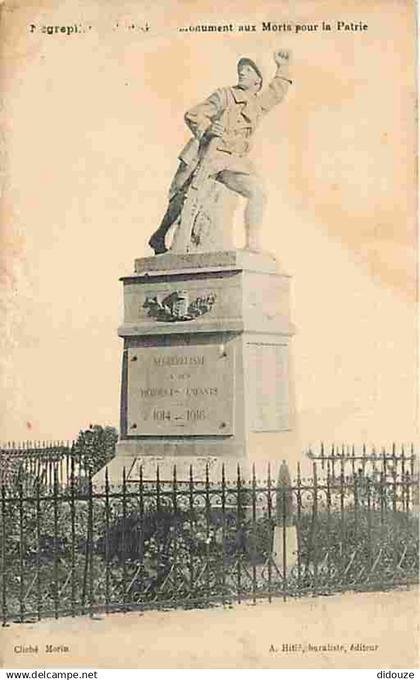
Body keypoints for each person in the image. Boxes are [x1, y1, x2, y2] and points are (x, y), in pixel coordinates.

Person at [148, 50, 292, 255]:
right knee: (182, 198)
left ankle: (252, 242)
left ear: (258, 80)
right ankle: (160, 235)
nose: (242, 73)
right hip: (205, 155)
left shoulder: (258, 104)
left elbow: (276, 93)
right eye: (240, 70)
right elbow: (193, 114)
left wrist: (283, 67)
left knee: (257, 192)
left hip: (231, 161)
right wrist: (207, 128)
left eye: (248, 70)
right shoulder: (224, 95)